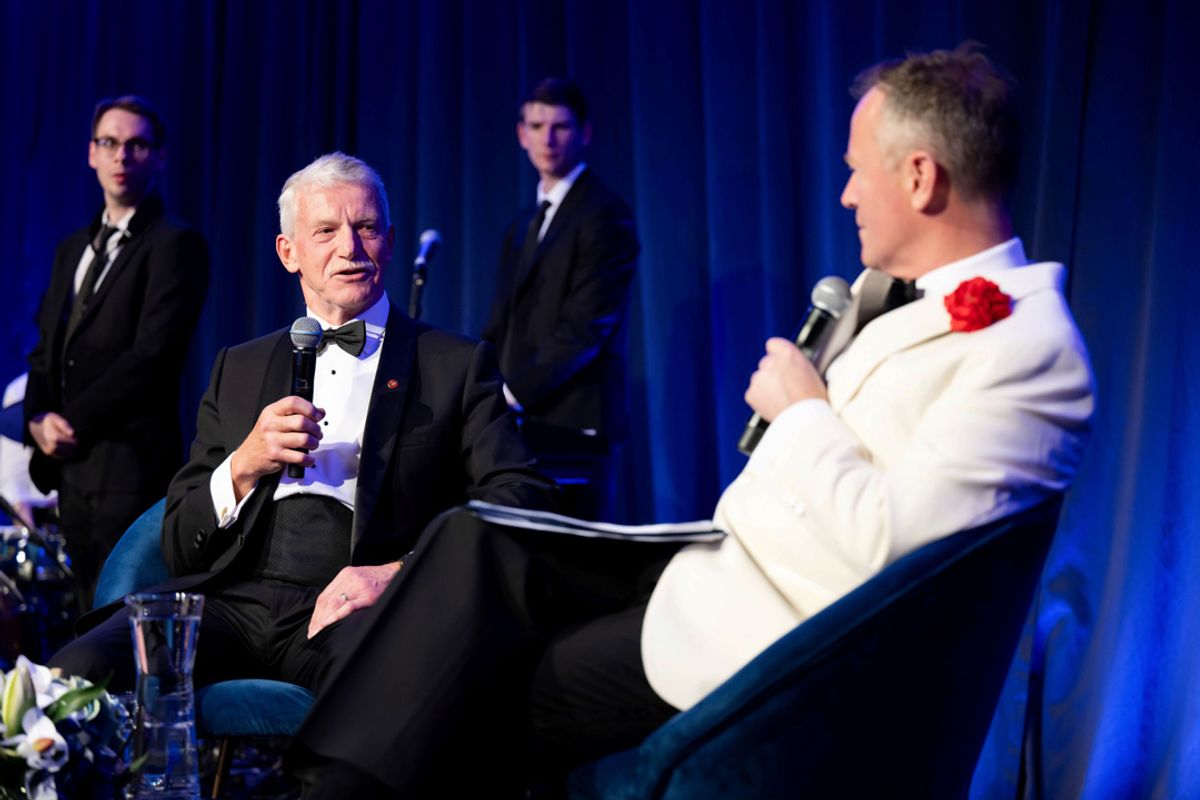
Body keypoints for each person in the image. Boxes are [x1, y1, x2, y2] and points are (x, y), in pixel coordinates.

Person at [291, 44, 1095, 797]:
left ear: (920, 177)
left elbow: (900, 557)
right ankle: (319, 752)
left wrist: (803, 410)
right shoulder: (882, 296)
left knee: (488, 680)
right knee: (475, 539)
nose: (847, 194)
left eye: (857, 171)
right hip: (717, 564)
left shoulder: (1026, 346)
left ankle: (330, 782)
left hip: (774, 634)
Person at [49, 152, 555, 696]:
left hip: (352, 604)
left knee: (374, 697)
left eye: (366, 228)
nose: (350, 248)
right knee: (75, 671)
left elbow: (520, 496)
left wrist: (399, 571)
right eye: (326, 231)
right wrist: (242, 466)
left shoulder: (454, 364)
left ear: (390, 240)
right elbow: (177, 539)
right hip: (232, 599)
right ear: (288, 252)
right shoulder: (239, 367)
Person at [24, 96, 210, 600]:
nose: (121, 155)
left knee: (122, 618)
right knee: (83, 614)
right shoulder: (72, 248)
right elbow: (47, 347)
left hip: (131, 468)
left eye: (136, 145)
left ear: (159, 157)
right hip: (71, 471)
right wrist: (37, 418)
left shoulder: (175, 244)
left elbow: (152, 358)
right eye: (109, 143)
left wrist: (69, 423)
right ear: (92, 153)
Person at [482, 77, 639, 519]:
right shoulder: (521, 225)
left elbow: (586, 329)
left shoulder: (605, 215)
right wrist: (480, 389)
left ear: (584, 132)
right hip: (519, 425)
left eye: (561, 126)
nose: (547, 139)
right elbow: (500, 322)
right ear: (521, 134)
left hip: (574, 425)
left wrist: (511, 393)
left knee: (573, 553)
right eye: (537, 126)